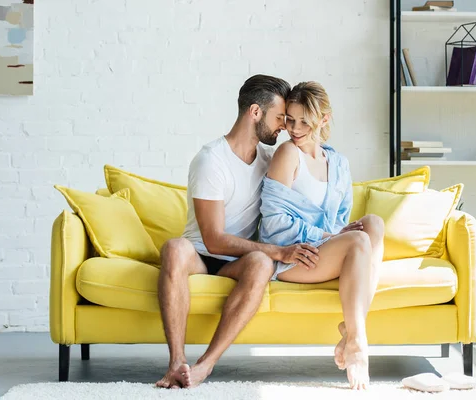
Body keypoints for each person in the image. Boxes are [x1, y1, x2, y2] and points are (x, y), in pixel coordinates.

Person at [155, 75, 321, 389]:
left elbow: (302, 201)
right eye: (279, 118)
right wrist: (278, 251)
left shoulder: (270, 160)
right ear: (255, 113)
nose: (284, 127)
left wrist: (336, 231)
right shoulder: (211, 160)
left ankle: (205, 365)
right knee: (175, 248)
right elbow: (213, 239)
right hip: (201, 256)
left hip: (238, 262)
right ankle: (176, 361)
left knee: (261, 263)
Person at [259, 82, 385, 390]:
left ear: (324, 120)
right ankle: (357, 343)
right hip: (294, 255)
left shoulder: (339, 164)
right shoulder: (288, 154)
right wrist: (330, 235)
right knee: (358, 241)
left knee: (374, 224)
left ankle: (350, 331)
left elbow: (341, 220)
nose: (295, 129)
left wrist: (336, 234)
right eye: (290, 119)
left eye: (304, 121)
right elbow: (272, 224)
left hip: (325, 250)